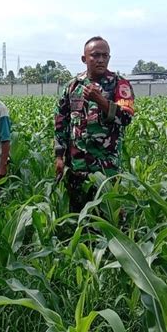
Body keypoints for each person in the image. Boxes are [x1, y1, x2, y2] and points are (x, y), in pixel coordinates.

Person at [54, 36, 135, 212]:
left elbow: (126, 118)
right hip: (77, 166)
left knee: (108, 214)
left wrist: (101, 101)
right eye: (95, 55)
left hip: (106, 168)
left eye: (105, 56)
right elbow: (61, 121)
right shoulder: (73, 86)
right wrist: (59, 156)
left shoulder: (119, 85)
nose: (100, 60)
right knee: (78, 216)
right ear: (84, 59)